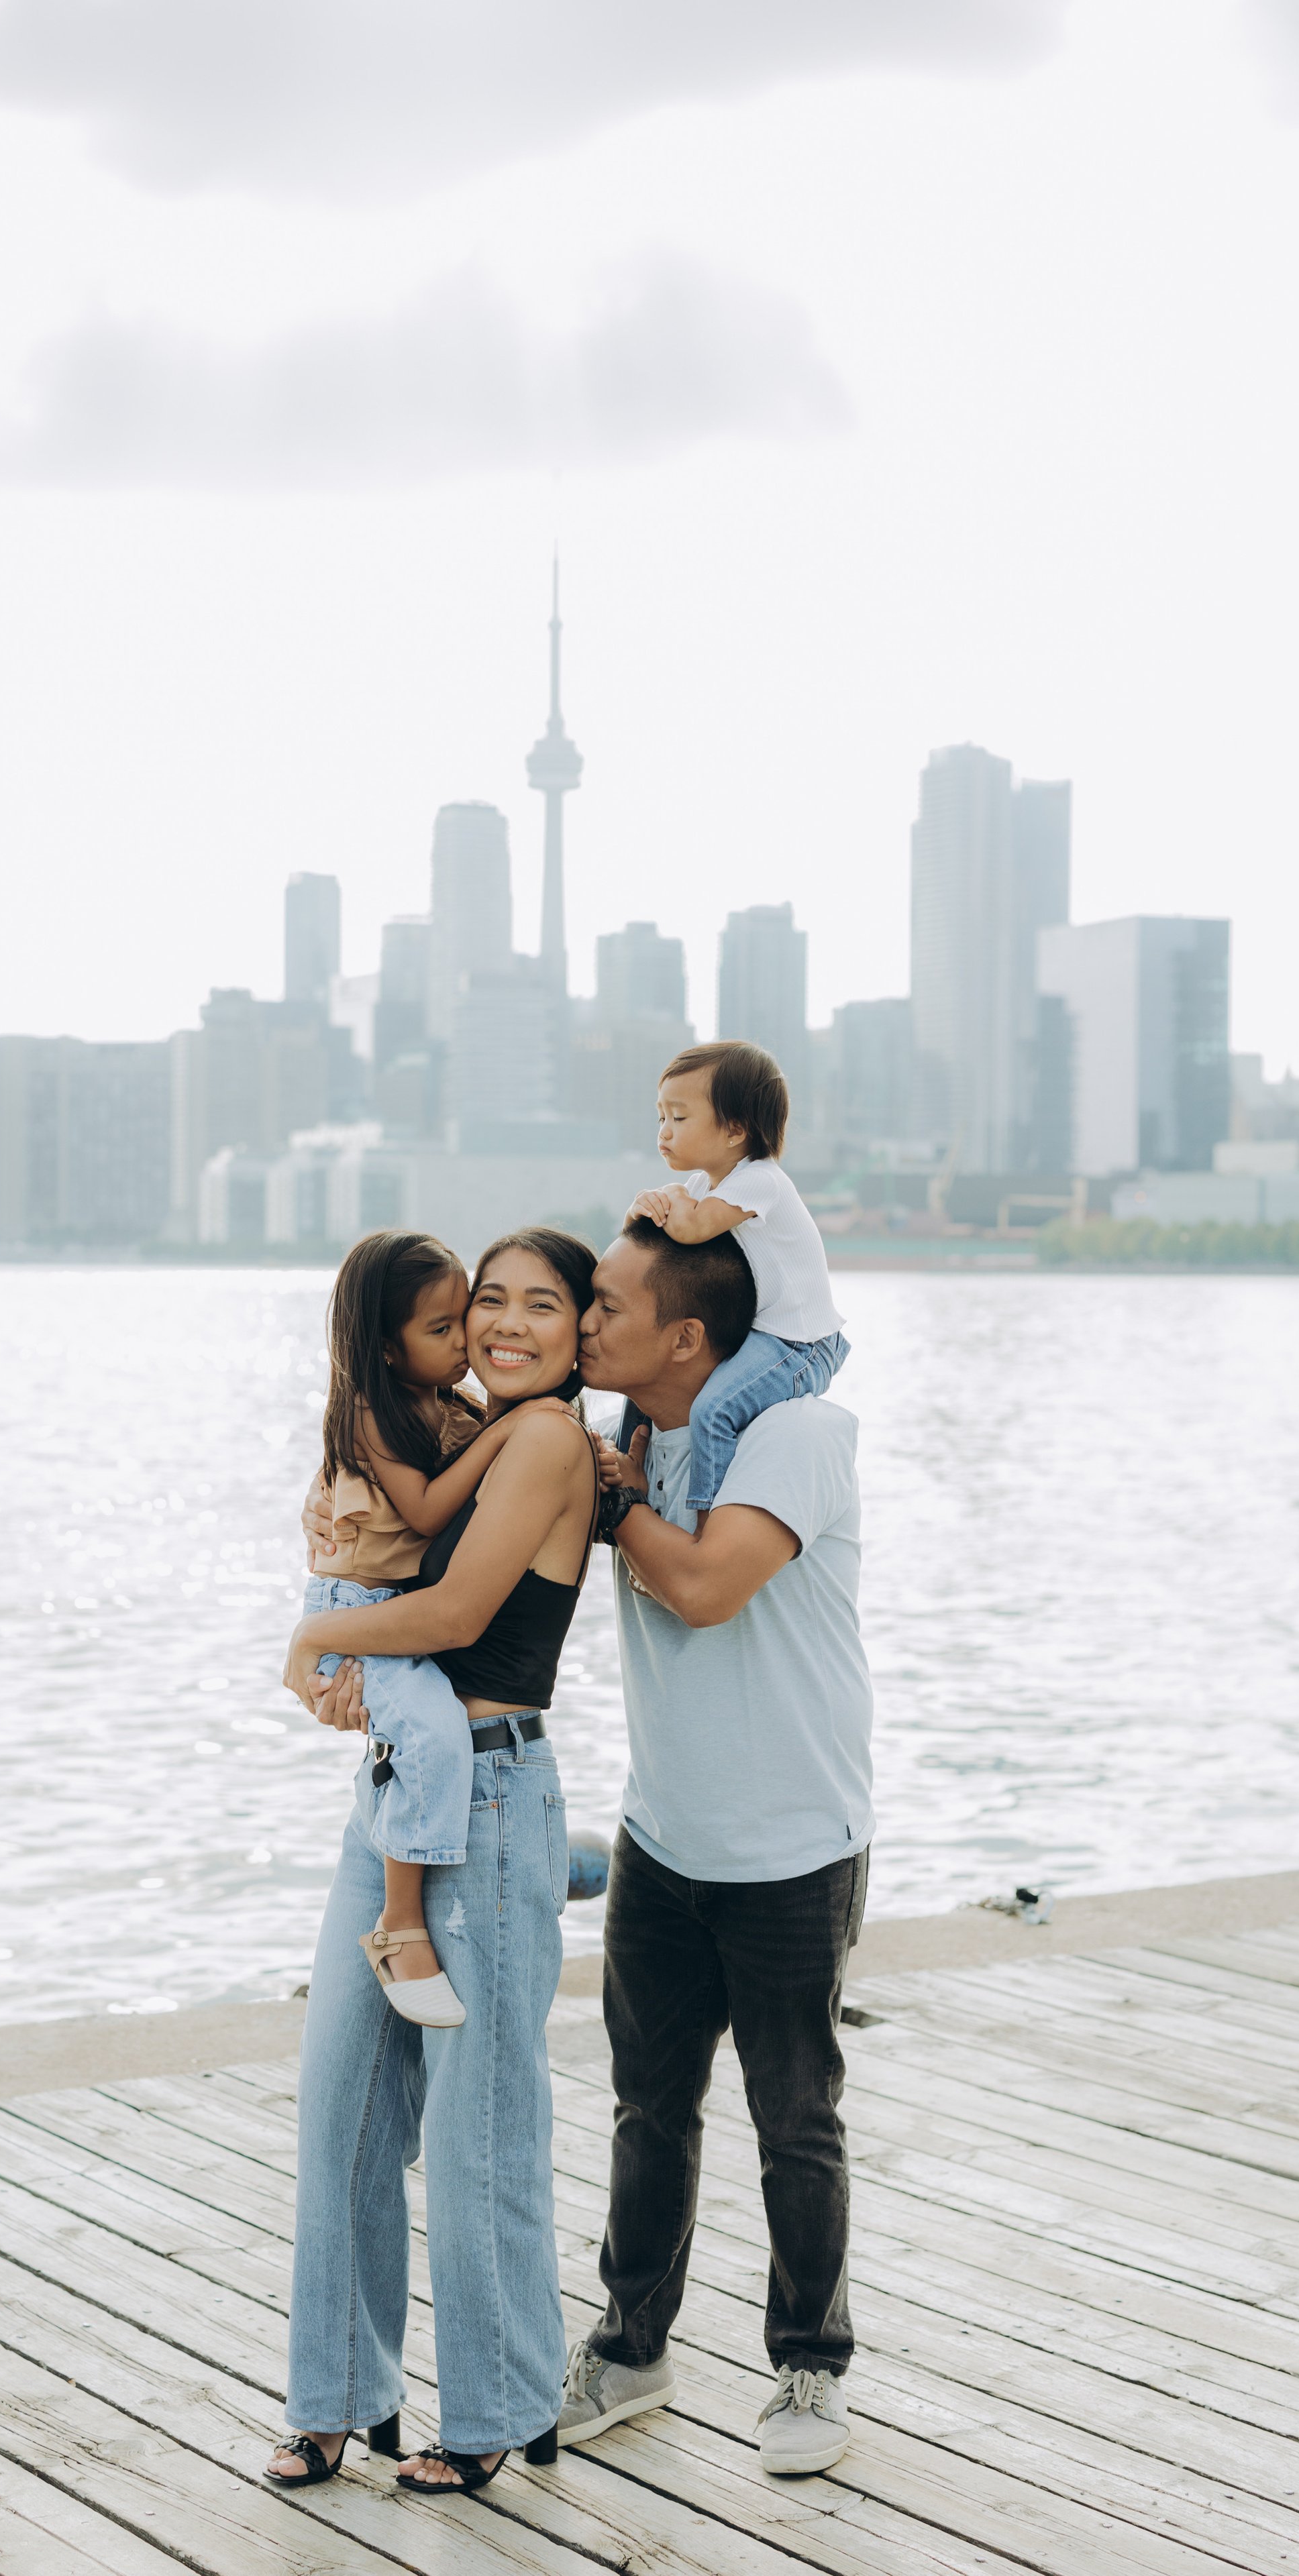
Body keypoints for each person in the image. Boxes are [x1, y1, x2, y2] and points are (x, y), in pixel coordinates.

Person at [266, 1228, 600, 2502]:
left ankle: (502, 2407)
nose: (502, 1326)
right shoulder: (468, 1427)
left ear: (583, 1330)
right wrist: (341, 1656)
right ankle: (338, 2399)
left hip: (497, 1787)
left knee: (480, 2128)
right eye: (486, 1304)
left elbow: (457, 1619)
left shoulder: (547, 1438)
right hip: (402, 1791)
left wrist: (316, 1633)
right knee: (342, 2103)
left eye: (535, 1307)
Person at [560, 1216, 874, 2475]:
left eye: (606, 1308)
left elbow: (702, 1586)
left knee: (795, 2117)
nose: (584, 1324)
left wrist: (618, 1500)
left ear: (685, 1337)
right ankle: (634, 2348)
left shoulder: (798, 1435)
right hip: (663, 1837)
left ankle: (809, 2370)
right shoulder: (623, 1438)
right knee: (651, 2108)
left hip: (793, 1843)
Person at [309, 1228, 572, 2029]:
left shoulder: (460, 1412)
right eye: (447, 1326)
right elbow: (426, 1510)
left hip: (408, 1641)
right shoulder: (371, 1413)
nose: (468, 1339)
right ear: (388, 1350)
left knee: (427, 1736)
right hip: (357, 1609)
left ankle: (434, 1905)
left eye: (463, 1317)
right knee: (427, 1734)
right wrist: (502, 1431)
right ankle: (404, 1916)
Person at [625, 1040, 849, 1520]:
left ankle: (707, 1521)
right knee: (643, 1383)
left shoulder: (759, 1179)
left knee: (713, 1412)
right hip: (762, 1334)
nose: (663, 1132)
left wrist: (663, 1196)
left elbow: (687, 1229)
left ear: (735, 1130)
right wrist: (642, 1209)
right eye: (660, 1117)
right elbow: (658, 1249)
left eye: (679, 1118)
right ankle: (628, 1484)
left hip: (799, 1343)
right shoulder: (705, 1186)